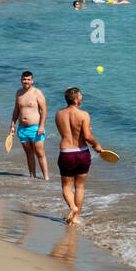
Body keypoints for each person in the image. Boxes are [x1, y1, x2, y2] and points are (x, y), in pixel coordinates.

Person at [54, 87, 102, 225]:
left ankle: (72, 207)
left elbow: (65, 133)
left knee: (66, 187)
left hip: (66, 153)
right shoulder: (84, 115)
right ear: (76, 100)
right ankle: (76, 217)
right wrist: (96, 145)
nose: (82, 98)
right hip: (82, 153)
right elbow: (87, 136)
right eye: (80, 96)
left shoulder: (59, 114)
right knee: (79, 187)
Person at [10, 71, 49, 180]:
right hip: (22, 128)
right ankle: (32, 177)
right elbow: (16, 110)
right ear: (21, 80)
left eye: (28, 79)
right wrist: (12, 124)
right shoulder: (19, 93)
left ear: (32, 80)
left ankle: (46, 178)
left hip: (35, 128)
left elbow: (44, 110)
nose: (26, 81)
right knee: (29, 154)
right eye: (24, 79)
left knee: (40, 153)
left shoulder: (37, 93)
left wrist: (41, 126)